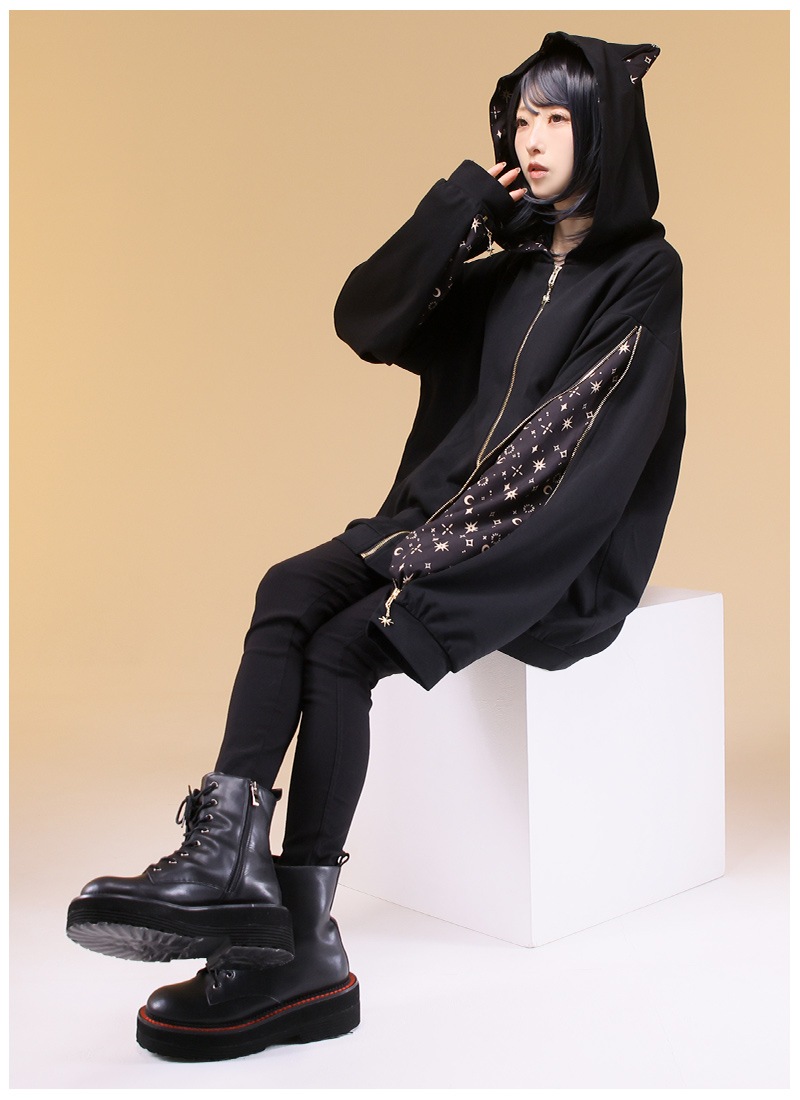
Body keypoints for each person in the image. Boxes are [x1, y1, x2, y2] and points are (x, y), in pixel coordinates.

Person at [66, 30, 685, 1062]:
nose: (531, 140)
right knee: (287, 589)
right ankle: (233, 870)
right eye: (520, 119)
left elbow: (578, 445)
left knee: (342, 645)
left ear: (604, 131)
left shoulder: (644, 272)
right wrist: (460, 208)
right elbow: (367, 318)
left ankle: (298, 942)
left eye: (557, 118)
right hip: (431, 525)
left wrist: (430, 555)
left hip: (542, 551)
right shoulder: (511, 268)